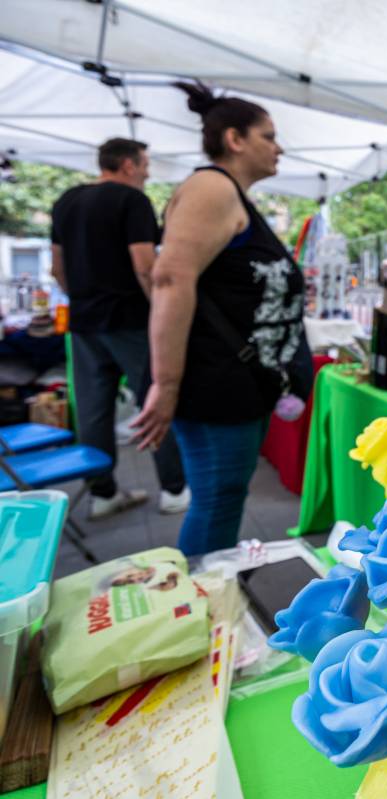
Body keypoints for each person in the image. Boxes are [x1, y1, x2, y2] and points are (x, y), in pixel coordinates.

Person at [132, 83, 312, 557]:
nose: (279, 147)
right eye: (268, 136)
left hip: (233, 384)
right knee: (216, 501)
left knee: (223, 499)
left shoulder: (231, 196)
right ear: (235, 139)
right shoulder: (212, 187)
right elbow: (170, 279)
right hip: (212, 384)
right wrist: (166, 384)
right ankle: (201, 606)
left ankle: (208, 596)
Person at [50, 138, 190, 519]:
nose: (147, 171)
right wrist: (163, 312)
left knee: (94, 410)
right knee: (157, 399)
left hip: (83, 322)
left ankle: (103, 493)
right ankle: (175, 489)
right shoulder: (132, 201)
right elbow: (145, 266)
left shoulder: (66, 201)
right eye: (144, 164)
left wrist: (82, 297)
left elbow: (57, 268)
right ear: (128, 165)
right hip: (129, 319)